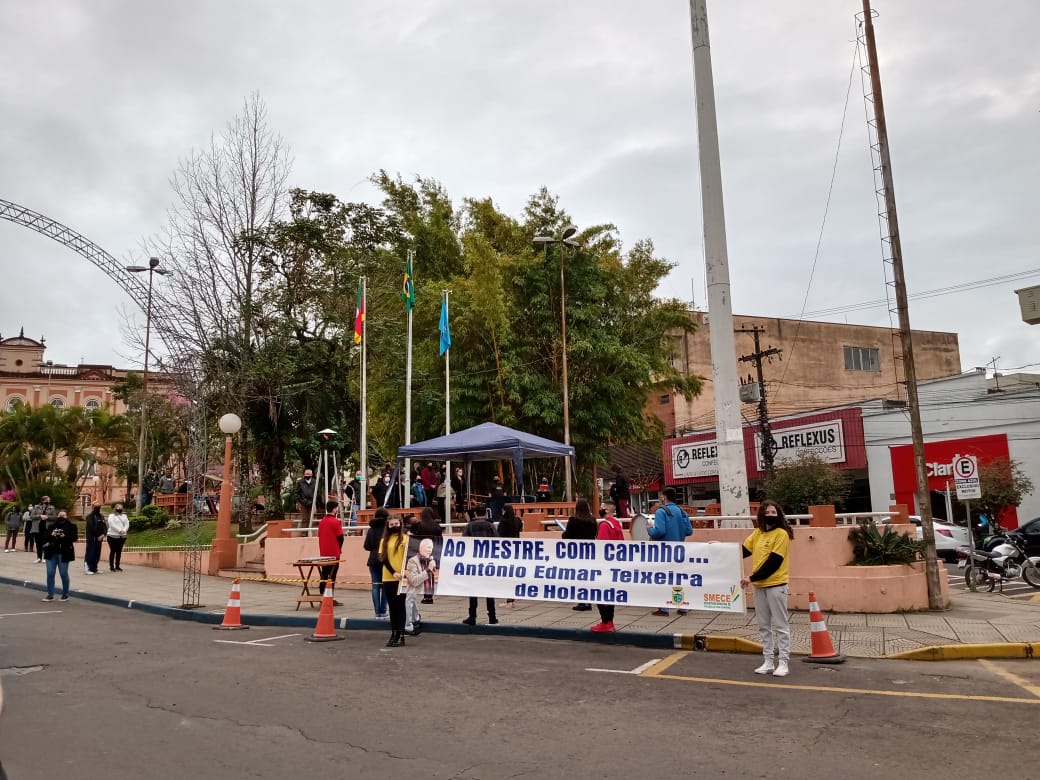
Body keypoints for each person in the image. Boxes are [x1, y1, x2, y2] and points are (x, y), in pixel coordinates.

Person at [741, 499, 794, 678]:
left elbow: (774, 562)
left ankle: (783, 662)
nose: (771, 515)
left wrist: (751, 578)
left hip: (776, 586)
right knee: (764, 626)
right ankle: (768, 661)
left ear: (779, 515)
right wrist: (719, 548)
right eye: (768, 512)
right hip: (760, 587)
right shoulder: (757, 533)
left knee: (781, 625)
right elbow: (742, 551)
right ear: (762, 515)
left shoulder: (781, 534)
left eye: (774, 512)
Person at [648, 487, 693, 616]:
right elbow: (689, 531)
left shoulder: (661, 512)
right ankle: (682, 606)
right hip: (679, 550)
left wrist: (649, 529)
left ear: (664, 497)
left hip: (665, 551)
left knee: (663, 579)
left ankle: (664, 608)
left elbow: (660, 531)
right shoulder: (682, 511)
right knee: (678, 579)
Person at [590, 502, 625, 632]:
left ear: (607, 510)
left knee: (598, 593)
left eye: (601, 507)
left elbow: (601, 547)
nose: (599, 509)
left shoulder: (605, 525)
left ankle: (606, 621)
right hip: (615, 563)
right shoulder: (616, 523)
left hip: (604, 565)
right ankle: (609, 621)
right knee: (610, 594)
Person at [462, 509, 498, 625]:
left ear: (475, 513)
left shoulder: (470, 526)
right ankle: (492, 617)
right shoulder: (490, 525)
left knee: (473, 591)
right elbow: (497, 541)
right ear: (486, 513)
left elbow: (464, 542)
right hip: (488, 562)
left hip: (474, 563)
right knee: (489, 591)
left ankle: (472, 616)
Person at [563, 498, 597, 612]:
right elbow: (594, 535)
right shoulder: (592, 520)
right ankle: (588, 601)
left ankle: (582, 601)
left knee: (579, 577)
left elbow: (567, 536)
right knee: (587, 577)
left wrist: (563, 534)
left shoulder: (573, 520)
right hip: (589, 552)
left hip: (576, 552)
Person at [379, 513, 408, 647]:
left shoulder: (406, 539)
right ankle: (394, 633)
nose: (394, 526)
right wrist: (393, 572)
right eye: (391, 524)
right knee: (392, 607)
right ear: (388, 526)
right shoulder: (384, 541)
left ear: (401, 524)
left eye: (396, 524)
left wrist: (404, 572)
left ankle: (401, 635)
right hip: (388, 577)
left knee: (400, 606)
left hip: (402, 578)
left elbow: (410, 557)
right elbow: (383, 559)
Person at [41, 509, 78, 601]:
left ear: (66, 516)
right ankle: (50, 594)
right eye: (60, 515)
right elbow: (44, 537)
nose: (61, 517)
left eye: (63, 515)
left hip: (64, 553)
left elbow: (74, 538)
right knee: (50, 573)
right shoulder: (51, 526)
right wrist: (52, 535)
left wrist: (64, 536)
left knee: (63, 573)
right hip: (51, 553)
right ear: (57, 516)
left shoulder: (72, 526)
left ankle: (65, 594)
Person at [404, 538, 437, 636]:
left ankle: (415, 618)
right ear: (421, 547)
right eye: (428, 547)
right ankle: (407, 626)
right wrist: (429, 569)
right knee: (410, 597)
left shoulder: (430, 560)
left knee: (411, 598)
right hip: (416, 585)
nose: (430, 550)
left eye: (431, 548)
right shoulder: (413, 561)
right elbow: (414, 581)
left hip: (425, 588)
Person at [412, 507, 443, 604]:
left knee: (423, 573)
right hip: (433, 551)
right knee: (430, 574)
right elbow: (440, 537)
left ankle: (425, 595)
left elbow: (413, 534)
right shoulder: (436, 526)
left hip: (422, 552)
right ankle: (429, 595)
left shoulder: (419, 526)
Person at [364, 508, 389, 619]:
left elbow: (367, 546)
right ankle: (383, 611)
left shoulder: (371, 529)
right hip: (385, 559)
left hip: (373, 559)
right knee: (385, 586)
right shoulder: (387, 529)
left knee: (375, 586)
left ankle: (377, 612)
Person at [316, 500, 344, 604]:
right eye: (336, 508)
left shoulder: (322, 522)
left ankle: (322, 595)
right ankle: (329, 597)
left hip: (323, 553)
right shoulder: (336, 522)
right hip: (334, 553)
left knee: (324, 574)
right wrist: (339, 549)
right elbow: (341, 537)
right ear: (334, 509)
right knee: (332, 576)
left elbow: (319, 535)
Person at [497, 504, 523, 605]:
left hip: (505, 552)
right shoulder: (517, 521)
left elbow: (499, 535)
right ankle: (511, 599)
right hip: (516, 550)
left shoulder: (503, 522)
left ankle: (509, 600)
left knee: (506, 576)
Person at [29, 497, 56, 563]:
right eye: (46, 500)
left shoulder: (52, 507)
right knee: (38, 543)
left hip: (47, 528)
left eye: (49, 500)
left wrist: (47, 517)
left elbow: (55, 517)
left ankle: (45, 557)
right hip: (37, 528)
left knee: (46, 543)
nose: (48, 501)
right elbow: (31, 516)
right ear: (42, 500)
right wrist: (40, 516)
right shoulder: (36, 507)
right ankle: (39, 557)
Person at [83, 503, 107, 574]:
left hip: (99, 539)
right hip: (91, 538)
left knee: (97, 554)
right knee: (90, 553)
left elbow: (105, 527)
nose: (98, 507)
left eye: (99, 506)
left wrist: (103, 534)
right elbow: (91, 527)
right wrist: (98, 536)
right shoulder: (89, 516)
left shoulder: (101, 516)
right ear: (92, 507)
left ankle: (94, 568)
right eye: (96, 506)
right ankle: (87, 569)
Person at [106, 502, 129, 572]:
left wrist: (124, 530)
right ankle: (111, 566)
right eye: (118, 507)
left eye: (121, 507)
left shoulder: (124, 516)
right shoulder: (111, 516)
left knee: (119, 551)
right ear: (115, 508)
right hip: (112, 536)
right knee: (113, 551)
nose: (120, 509)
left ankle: (117, 566)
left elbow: (127, 524)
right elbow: (111, 524)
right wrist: (119, 530)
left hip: (122, 536)